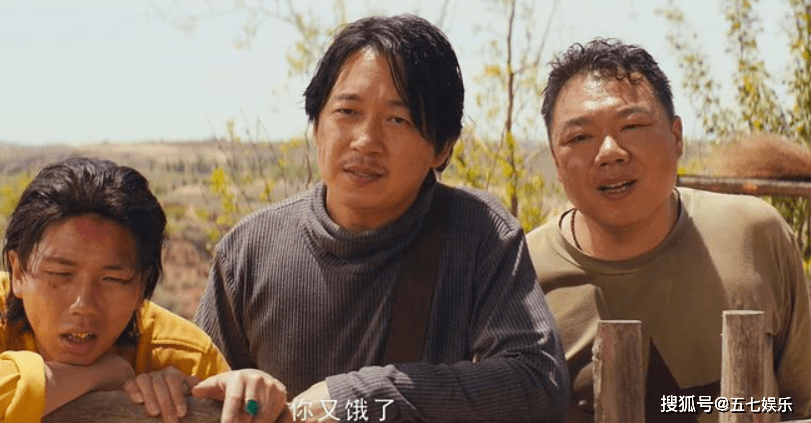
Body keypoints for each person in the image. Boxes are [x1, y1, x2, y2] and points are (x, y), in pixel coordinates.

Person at [195, 14, 569, 423]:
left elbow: (538, 383)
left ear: (442, 148)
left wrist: (361, 398)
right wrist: (236, 388)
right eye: (347, 111)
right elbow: (194, 389)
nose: (365, 141)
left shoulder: (478, 233)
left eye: (397, 120)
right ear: (316, 125)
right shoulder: (249, 251)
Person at [526, 38, 811, 423]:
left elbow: (798, 405)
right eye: (579, 137)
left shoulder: (756, 236)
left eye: (632, 125)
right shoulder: (523, 275)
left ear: (676, 138)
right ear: (557, 163)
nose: (609, 152)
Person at [0, 157, 285, 423]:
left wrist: (252, 401)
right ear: (18, 272)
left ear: (141, 288)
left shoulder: (183, 358)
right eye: (61, 275)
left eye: (112, 279)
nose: (83, 304)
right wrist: (104, 374)